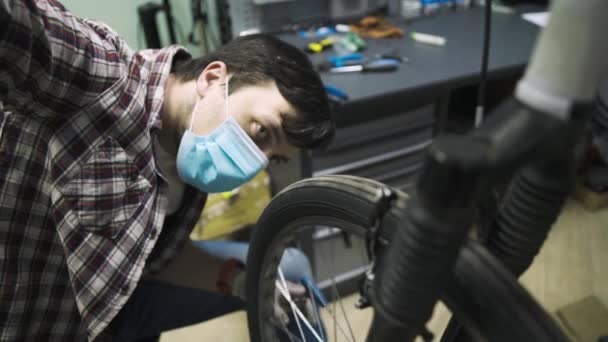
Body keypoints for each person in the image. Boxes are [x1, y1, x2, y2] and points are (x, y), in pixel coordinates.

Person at [0, 0, 334, 341]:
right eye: (262, 132)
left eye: (275, 158)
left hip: (121, 295)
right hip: (42, 313)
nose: (257, 162)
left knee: (288, 268)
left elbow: (156, 257)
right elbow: (20, 24)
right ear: (214, 78)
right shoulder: (105, 80)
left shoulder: (192, 149)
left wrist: (240, 283)